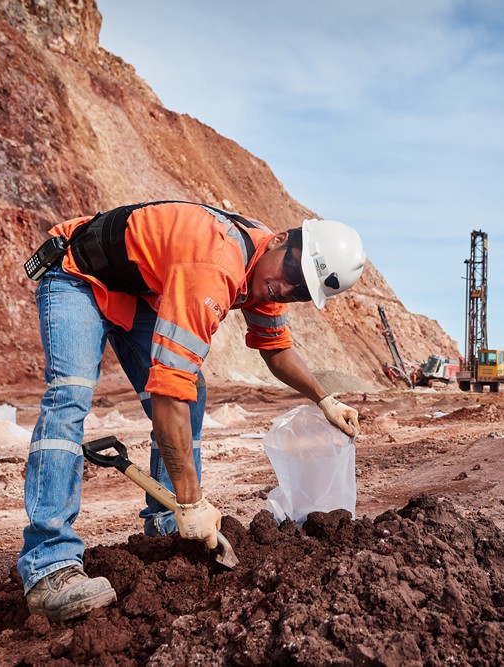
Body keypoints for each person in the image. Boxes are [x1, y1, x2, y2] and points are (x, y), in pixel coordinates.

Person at [19, 201, 366, 621]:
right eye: (293, 272)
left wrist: (325, 399)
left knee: (193, 390)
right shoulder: (217, 262)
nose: (287, 289)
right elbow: (168, 390)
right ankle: (49, 567)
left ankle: (167, 527)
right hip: (77, 275)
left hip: (135, 293)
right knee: (70, 396)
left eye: (303, 291)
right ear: (279, 241)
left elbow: (275, 348)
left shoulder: (267, 270)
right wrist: (192, 500)